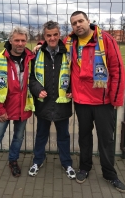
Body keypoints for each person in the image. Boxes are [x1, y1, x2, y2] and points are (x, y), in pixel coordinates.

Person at [63, 11, 125, 192]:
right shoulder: (69, 41)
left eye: (80, 21)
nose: (77, 25)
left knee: (106, 139)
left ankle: (109, 174)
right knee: (84, 137)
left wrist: (115, 98)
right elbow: (51, 43)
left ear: (88, 21)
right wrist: (39, 44)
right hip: (82, 100)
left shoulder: (105, 39)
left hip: (103, 101)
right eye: (74, 23)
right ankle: (84, 167)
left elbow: (117, 69)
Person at [0, 26, 35, 189]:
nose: (20, 43)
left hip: (23, 107)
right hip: (3, 109)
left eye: (23, 40)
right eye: (16, 40)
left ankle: (13, 161)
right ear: (10, 41)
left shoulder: (31, 57)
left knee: (18, 138)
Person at [28, 21, 76, 180]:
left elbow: (74, 76)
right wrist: (36, 90)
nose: (52, 38)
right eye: (49, 35)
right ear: (44, 36)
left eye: (55, 34)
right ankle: (37, 161)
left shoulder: (69, 52)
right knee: (41, 135)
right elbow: (32, 79)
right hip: (44, 104)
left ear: (59, 34)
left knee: (63, 136)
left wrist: (71, 90)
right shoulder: (37, 53)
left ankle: (67, 163)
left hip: (62, 104)